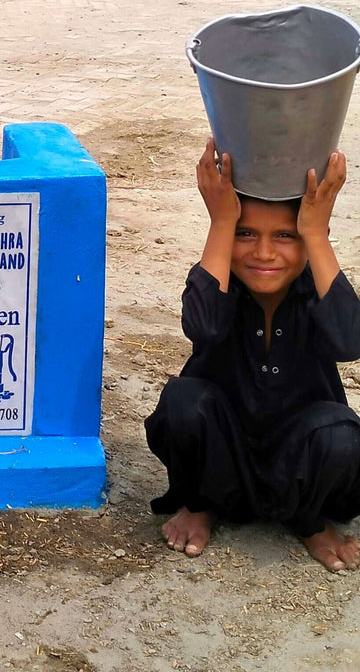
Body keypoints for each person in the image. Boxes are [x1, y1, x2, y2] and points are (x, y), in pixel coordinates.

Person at [145, 137, 360, 572]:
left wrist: (315, 231)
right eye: (246, 234)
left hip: (301, 464)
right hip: (221, 460)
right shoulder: (220, 284)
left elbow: (349, 342)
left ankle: (310, 522)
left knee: (341, 433)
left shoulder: (316, 291)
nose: (264, 253)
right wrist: (221, 221)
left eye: (285, 236)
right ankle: (201, 505)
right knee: (182, 403)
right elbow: (202, 327)